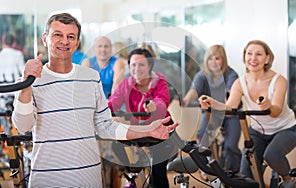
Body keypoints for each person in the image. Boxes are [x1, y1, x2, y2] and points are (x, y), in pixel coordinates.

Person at [11, 13, 179, 188]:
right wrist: (25, 85)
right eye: (57, 34)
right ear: (45, 39)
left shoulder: (91, 77)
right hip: (47, 178)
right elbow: (23, 126)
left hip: (88, 177)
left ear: (76, 43)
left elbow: (105, 125)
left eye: (71, 36)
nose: (64, 41)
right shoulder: (29, 79)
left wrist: (147, 130)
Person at [199, 40, 296, 188]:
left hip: (286, 129)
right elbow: (230, 108)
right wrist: (212, 103)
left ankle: (288, 180)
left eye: (258, 54)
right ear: (244, 57)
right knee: (245, 173)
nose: (253, 58)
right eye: (249, 54)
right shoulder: (240, 82)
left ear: (267, 58)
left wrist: (268, 106)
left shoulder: (279, 80)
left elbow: (276, 111)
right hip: (257, 132)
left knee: (271, 155)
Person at [108, 48, 176, 188]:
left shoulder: (159, 82)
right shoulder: (126, 85)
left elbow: (162, 102)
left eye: (141, 65)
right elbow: (112, 104)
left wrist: (153, 106)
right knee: (116, 146)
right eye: (133, 65)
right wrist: (104, 113)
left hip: (161, 129)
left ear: (149, 66)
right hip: (138, 131)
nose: (137, 69)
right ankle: (134, 173)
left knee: (158, 170)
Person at [183, 44, 242, 172]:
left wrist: (226, 104)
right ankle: (209, 168)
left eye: (217, 58)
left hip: (230, 113)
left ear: (223, 60)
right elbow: (194, 89)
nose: (213, 62)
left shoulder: (231, 74)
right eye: (210, 59)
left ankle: (235, 173)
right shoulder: (202, 75)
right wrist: (187, 99)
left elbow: (230, 93)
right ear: (206, 60)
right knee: (203, 136)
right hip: (211, 113)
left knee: (231, 146)